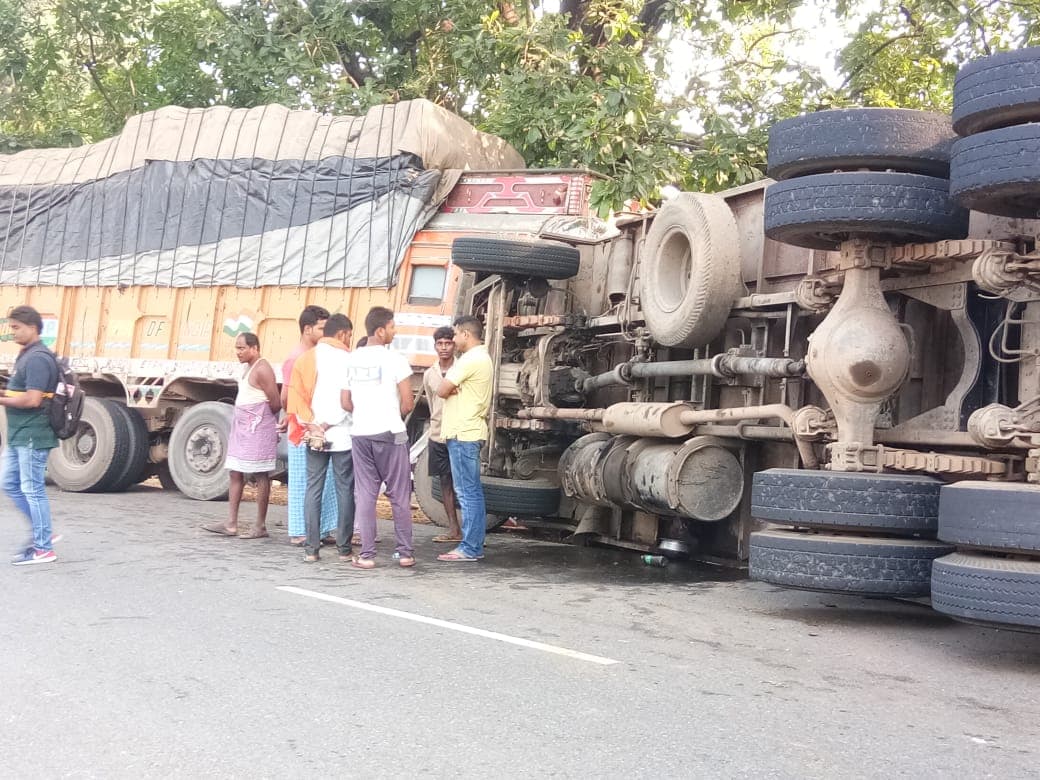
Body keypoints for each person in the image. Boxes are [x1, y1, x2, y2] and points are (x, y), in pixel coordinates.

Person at [342, 307, 415, 569]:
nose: (394, 332)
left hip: (360, 433)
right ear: (380, 330)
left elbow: (345, 402)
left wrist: (365, 413)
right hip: (391, 433)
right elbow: (408, 402)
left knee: (365, 494)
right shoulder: (396, 360)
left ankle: (367, 555)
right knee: (399, 495)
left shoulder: (350, 359)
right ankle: (404, 553)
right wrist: (391, 414)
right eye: (393, 327)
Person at [288, 314, 356, 563]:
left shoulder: (306, 359)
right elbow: (349, 401)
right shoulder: (350, 360)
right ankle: (344, 549)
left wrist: (314, 425)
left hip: (313, 435)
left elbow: (296, 399)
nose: (350, 339)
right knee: (345, 490)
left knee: (313, 489)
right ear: (342, 334)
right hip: (343, 435)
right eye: (349, 335)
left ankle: (311, 550)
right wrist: (328, 423)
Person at [204, 332, 280, 538]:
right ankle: (231, 523)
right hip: (242, 428)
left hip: (257, 427)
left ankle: (260, 526)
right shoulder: (246, 368)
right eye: (236, 348)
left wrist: (263, 422)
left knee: (260, 474)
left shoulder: (262, 369)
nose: (238, 352)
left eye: (242, 348)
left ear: (255, 348)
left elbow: (275, 402)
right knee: (235, 472)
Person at [1, 306, 60, 565]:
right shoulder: (26, 355)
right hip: (18, 435)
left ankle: (43, 548)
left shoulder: (38, 358)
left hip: (33, 435)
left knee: (33, 489)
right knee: (9, 483)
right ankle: (43, 530)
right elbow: (19, 392)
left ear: (32, 328)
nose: (11, 332)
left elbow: (33, 399)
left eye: (16, 328)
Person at [281, 305, 338, 547]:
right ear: (307, 329)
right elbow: (286, 397)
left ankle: (319, 528)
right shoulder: (296, 359)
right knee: (302, 481)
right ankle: (299, 530)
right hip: (302, 427)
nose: (325, 334)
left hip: (315, 426)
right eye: (321, 329)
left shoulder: (316, 355)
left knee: (322, 480)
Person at [436, 315, 493, 563]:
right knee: (472, 492)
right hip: (470, 431)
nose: (454, 339)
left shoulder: (469, 360)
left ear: (466, 335)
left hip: (462, 432)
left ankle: (470, 547)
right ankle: (473, 545)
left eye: (456, 335)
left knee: (466, 492)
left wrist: (451, 389)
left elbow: (441, 389)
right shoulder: (482, 357)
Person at [423, 326, 461, 543]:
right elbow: (432, 403)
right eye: (440, 343)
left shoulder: (463, 369)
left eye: (448, 343)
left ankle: (471, 533)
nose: (444, 347)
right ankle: (453, 529)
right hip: (438, 434)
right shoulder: (430, 374)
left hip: (459, 433)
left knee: (464, 482)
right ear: (435, 346)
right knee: (445, 482)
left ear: (454, 345)